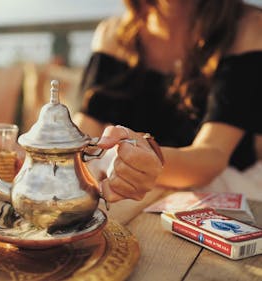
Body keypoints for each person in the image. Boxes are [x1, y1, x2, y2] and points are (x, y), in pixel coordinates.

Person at [73, 0, 262, 202]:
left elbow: (213, 155)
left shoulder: (247, 27)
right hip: (136, 195)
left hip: (223, 195)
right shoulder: (114, 35)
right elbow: (83, 135)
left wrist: (148, 162)